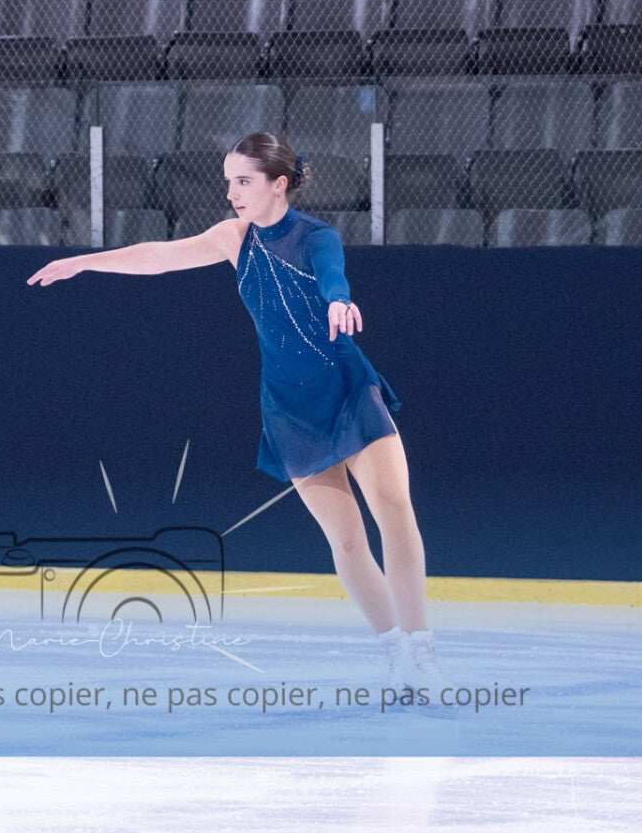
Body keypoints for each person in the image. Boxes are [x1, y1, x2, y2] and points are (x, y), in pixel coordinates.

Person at [26, 133, 451, 694]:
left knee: (393, 509)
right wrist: (85, 263)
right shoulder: (234, 238)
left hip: (347, 389)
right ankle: (396, 653)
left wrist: (340, 301)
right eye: (228, 181)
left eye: (243, 181)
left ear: (279, 184)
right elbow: (159, 256)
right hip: (289, 408)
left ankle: (423, 650)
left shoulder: (315, 236)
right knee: (347, 541)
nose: (231, 192)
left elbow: (332, 275)